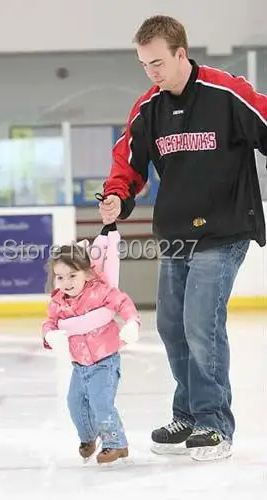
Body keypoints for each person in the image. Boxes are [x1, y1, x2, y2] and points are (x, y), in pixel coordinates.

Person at [98, 14, 267, 462]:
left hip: (224, 230)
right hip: (176, 236)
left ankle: (215, 425)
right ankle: (189, 414)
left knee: (200, 324)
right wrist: (117, 197)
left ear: (180, 53)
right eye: (144, 65)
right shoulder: (148, 107)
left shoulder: (227, 93)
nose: (151, 73)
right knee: (172, 327)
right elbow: (127, 164)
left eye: (157, 63)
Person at [41, 223, 140, 464]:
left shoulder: (99, 292)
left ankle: (116, 443)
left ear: (87, 272)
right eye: (60, 277)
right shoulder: (58, 302)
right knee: (74, 404)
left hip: (104, 361)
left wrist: (131, 323)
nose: (66, 282)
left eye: (72, 275)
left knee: (101, 403)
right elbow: (49, 323)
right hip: (80, 365)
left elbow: (123, 302)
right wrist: (49, 335)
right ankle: (88, 439)